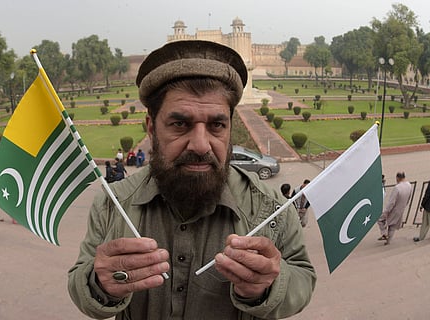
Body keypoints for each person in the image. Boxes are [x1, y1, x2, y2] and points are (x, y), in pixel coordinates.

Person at [68, 40, 315, 320]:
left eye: (216, 125)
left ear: (230, 127)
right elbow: (81, 283)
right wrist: (101, 286)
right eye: (180, 124)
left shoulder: (271, 210)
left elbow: (303, 278)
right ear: (151, 128)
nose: (200, 144)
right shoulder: (114, 204)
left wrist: (269, 285)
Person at [377, 172, 412, 245]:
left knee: (380, 219)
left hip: (394, 210)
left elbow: (391, 202)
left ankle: (384, 234)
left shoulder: (397, 188)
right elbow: (409, 198)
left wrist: (386, 211)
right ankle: (388, 240)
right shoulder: (409, 185)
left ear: (398, 178)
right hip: (401, 209)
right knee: (393, 225)